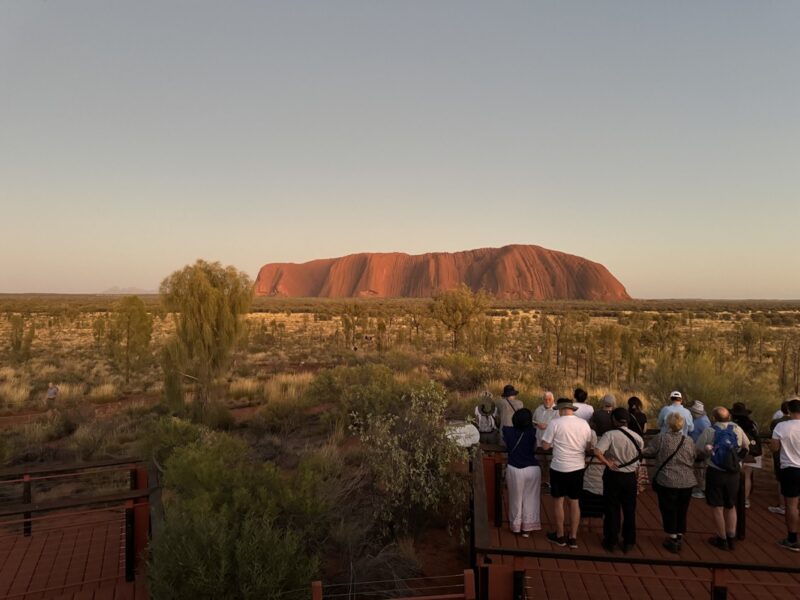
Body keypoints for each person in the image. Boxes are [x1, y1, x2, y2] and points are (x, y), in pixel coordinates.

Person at [541, 398, 593, 549]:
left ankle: (560, 535)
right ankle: (573, 537)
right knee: (575, 501)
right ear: (571, 409)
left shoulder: (555, 423)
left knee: (558, 501)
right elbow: (588, 445)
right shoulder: (584, 424)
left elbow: (545, 446)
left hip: (559, 467)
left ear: (560, 409)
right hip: (578, 467)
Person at [695, 407, 750, 550]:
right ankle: (732, 537)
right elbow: (746, 446)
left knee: (717, 507)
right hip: (733, 473)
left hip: (715, 472)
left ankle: (722, 538)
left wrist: (709, 452)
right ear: (729, 417)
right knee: (731, 506)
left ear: (714, 418)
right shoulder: (737, 428)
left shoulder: (710, 431)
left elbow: (698, 449)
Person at [644, 412, 697, 553]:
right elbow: (694, 455)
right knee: (682, 508)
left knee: (668, 508)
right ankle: (679, 533)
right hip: (687, 481)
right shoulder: (688, 440)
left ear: (668, 423)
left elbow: (649, 451)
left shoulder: (661, 438)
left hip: (667, 480)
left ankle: (672, 537)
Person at [593, 407, 643, 552]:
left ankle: (611, 540)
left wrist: (607, 462)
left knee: (611, 508)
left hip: (613, 475)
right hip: (630, 477)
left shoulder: (610, 435)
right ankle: (629, 541)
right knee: (629, 510)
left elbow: (597, 451)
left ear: (613, 419)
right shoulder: (637, 437)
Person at [502, 408, 541, 536]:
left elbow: (503, 430)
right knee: (531, 498)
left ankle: (516, 527)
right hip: (533, 468)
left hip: (514, 468)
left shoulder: (508, 431)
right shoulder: (533, 432)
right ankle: (527, 529)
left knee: (515, 498)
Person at [771, 398, 800, 552]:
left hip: (790, 468)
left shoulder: (781, 426)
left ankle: (792, 538)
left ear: (788, 410)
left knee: (791, 506)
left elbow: (774, 448)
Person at [731, 402, 762, 509]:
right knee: (747, 476)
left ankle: (734, 497)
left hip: (738, 452)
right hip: (752, 452)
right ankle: (745, 500)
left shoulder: (732, 425)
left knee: (734, 475)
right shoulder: (752, 424)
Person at [769, 401, 792, 515]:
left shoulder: (777, 423)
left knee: (780, 480)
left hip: (781, 456)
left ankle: (782, 506)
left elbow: (774, 444)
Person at [533, 391, 558, 491]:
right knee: (541, 462)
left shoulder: (557, 410)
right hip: (539, 441)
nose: (547, 401)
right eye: (545, 399)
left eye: (549, 399)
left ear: (553, 400)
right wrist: (536, 424)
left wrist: (546, 426)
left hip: (551, 444)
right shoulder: (539, 409)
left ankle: (551, 483)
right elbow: (533, 420)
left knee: (551, 463)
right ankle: (543, 482)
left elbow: (558, 425)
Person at [579, 430, 605, 519]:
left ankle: (583, 530)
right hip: (600, 489)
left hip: (586, 487)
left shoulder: (582, 456)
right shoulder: (604, 455)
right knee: (600, 513)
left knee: (585, 513)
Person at [689, 401, 711, 498]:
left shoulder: (703, 421)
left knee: (700, 469)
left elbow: (709, 435)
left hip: (700, 450)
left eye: (693, 412)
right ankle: (699, 488)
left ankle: (701, 489)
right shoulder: (699, 419)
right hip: (696, 448)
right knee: (697, 469)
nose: (692, 414)